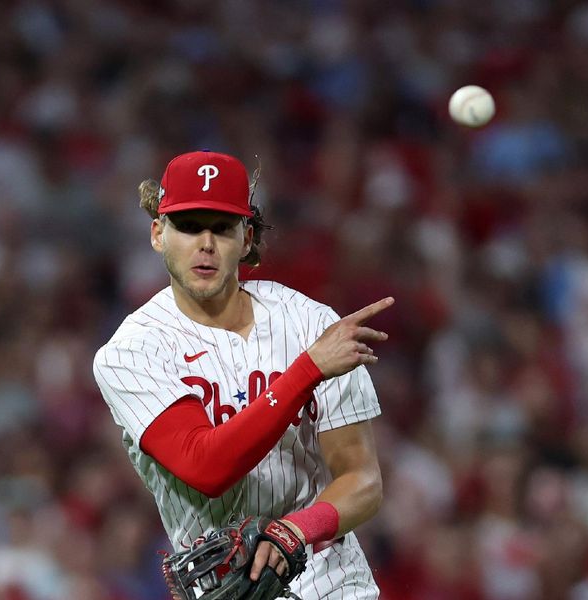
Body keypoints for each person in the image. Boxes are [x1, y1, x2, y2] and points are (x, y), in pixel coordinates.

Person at [93, 150, 393, 599]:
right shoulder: (132, 352)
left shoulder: (310, 324)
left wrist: (297, 530)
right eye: (189, 226)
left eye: (222, 227)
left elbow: (363, 481)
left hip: (332, 581)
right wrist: (308, 369)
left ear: (247, 237)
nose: (206, 243)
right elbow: (207, 466)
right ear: (159, 234)